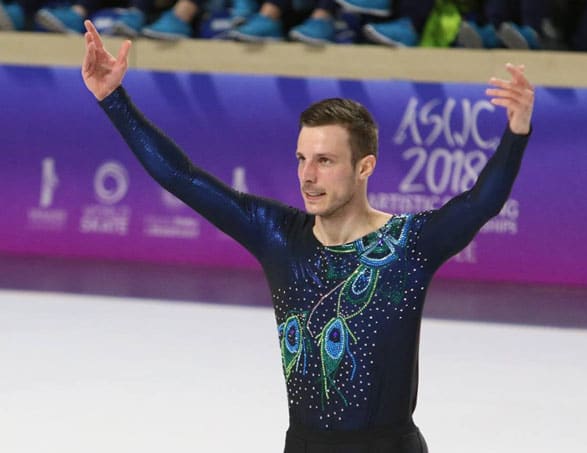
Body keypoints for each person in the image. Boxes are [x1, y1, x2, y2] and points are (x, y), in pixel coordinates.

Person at [82, 18, 533, 452]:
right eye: (301, 158)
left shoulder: (409, 244)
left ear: (364, 167)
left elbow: (480, 203)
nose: (307, 176)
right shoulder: (277, 235)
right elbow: (181, 176)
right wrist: (113, 99)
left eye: (324, 161)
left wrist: (516, 131)